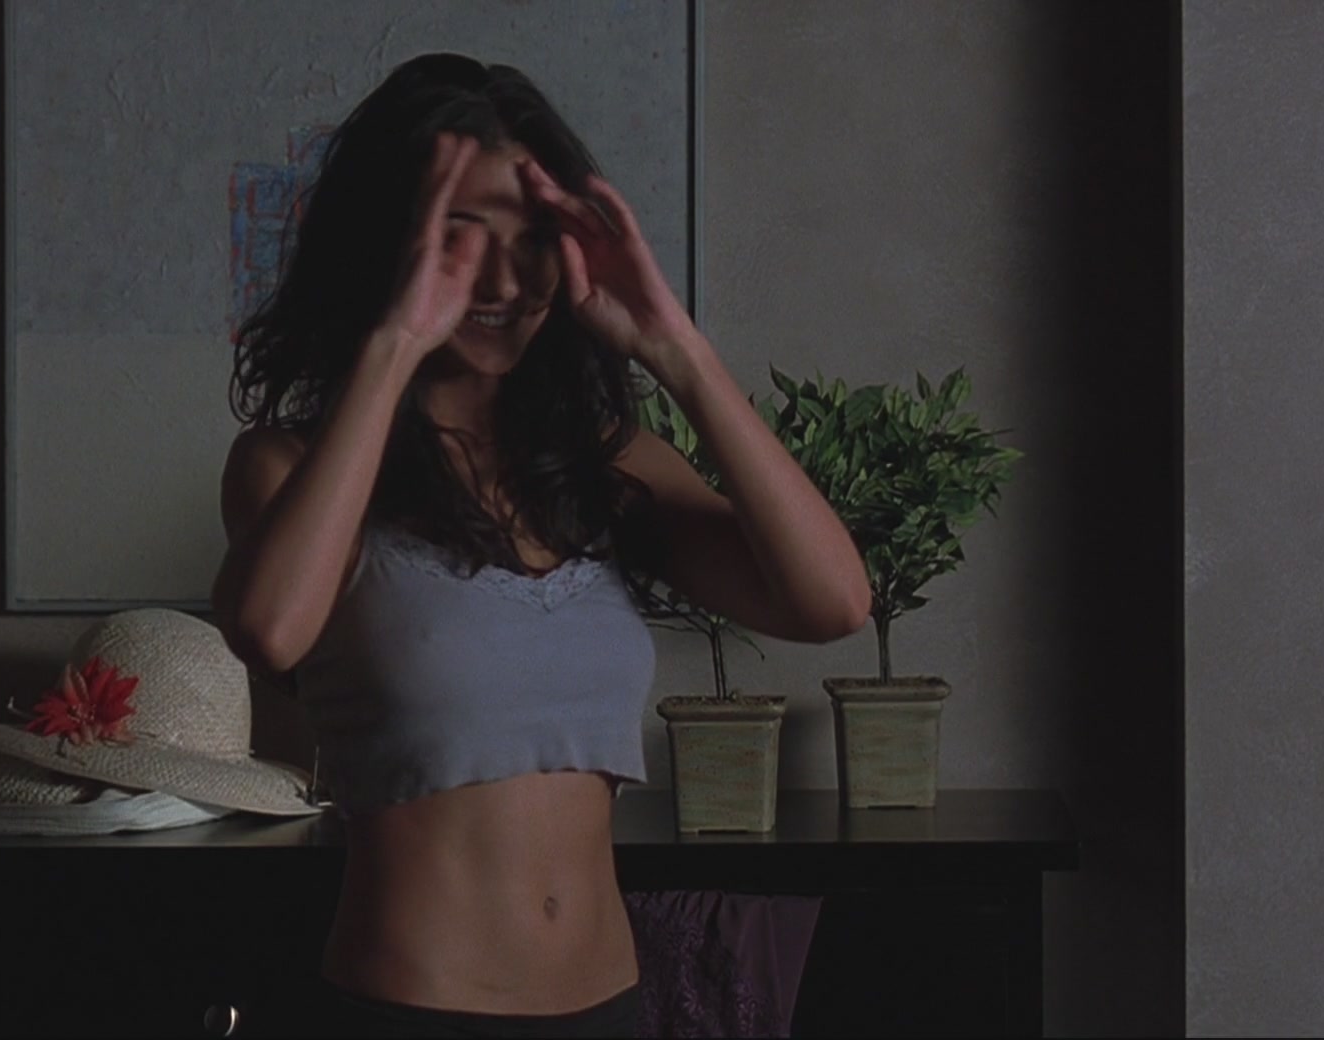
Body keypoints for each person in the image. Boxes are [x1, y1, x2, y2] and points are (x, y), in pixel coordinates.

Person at [212, 53, 872, 1039]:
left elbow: (834, 603)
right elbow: (270, 629)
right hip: (406, 1013)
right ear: (391, 243)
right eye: (459, 238)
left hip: (607, 1006)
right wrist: (394, 344)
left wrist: (679, 350)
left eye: (534, 242)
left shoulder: (607, 466)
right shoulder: (289, 467)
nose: (505, 280)